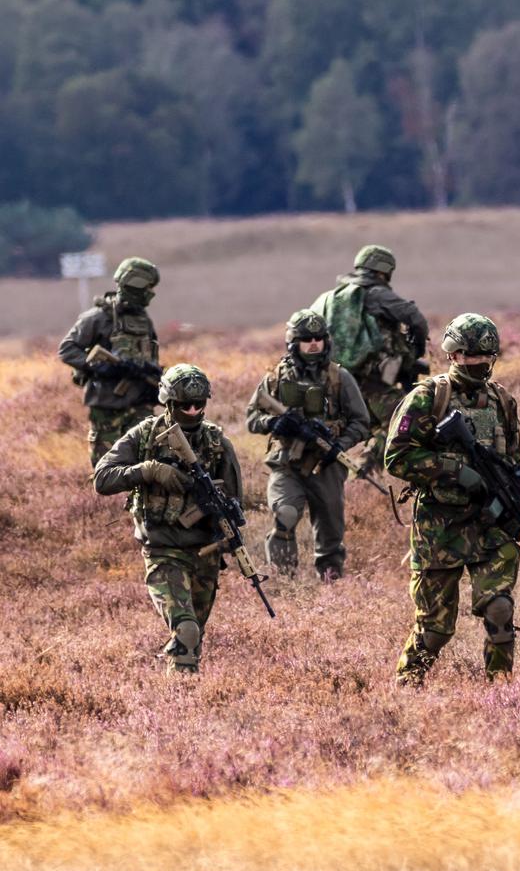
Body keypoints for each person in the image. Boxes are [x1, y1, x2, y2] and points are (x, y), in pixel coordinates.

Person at [384, 313, 520, 685]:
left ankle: (502, 695)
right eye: (470, 356)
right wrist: (454, 470)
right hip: (438, 530)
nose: (478, 363)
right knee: (435, 629)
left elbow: (512, 463)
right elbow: (396, 457)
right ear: (453, 354)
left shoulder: (502, 401)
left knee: (499, 609)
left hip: (490, 527)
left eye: (485, 357)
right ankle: (406, 688)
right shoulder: (429, 397)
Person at [93, 364, 242, 674]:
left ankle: (183, 703)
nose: (192, 410)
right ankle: (180, 697)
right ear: (169, 403)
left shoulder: (216, 442)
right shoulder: (145, 435)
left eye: (198, 405)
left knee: (193, 635)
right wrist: (148, 470)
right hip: (163, 549)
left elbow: (234, 498)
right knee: (187, 631)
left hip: (205, 553)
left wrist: (226, 528)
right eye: (184, 405)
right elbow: (102, 478)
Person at [246, 309, 370, 582]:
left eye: (318, 338)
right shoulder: (275, 378)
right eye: (306, 339)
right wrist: (273, 424)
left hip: (326, 466)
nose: (314, 343)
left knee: (330, 532)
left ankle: (331, 582)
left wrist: (338, 445)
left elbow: (361, 422)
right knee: (285, 515)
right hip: (286, 464)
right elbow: (252, 418)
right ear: (294, 342)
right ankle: (284, 581)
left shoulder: (340, 378)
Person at [312, 245, 429, 475]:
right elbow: (416, 319)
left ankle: (321, 475)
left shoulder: (328, 299)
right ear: (385, 271)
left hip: (332, 381)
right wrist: (415, 352)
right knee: (403, 417)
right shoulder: (377, 294)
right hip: (371, 382)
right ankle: (365, 472)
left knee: (351, 426)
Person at [58, 257, 162, 466]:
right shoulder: (97, 318)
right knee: (105, 464)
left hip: (140, 401)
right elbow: (67, 349)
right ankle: (104, 500)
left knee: (145, 459)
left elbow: (152, 353)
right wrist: (99, 367)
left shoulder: (143, 320)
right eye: (147, 288)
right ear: (135, 286)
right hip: (107, 402)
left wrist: (151, 372)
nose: (150, 293)